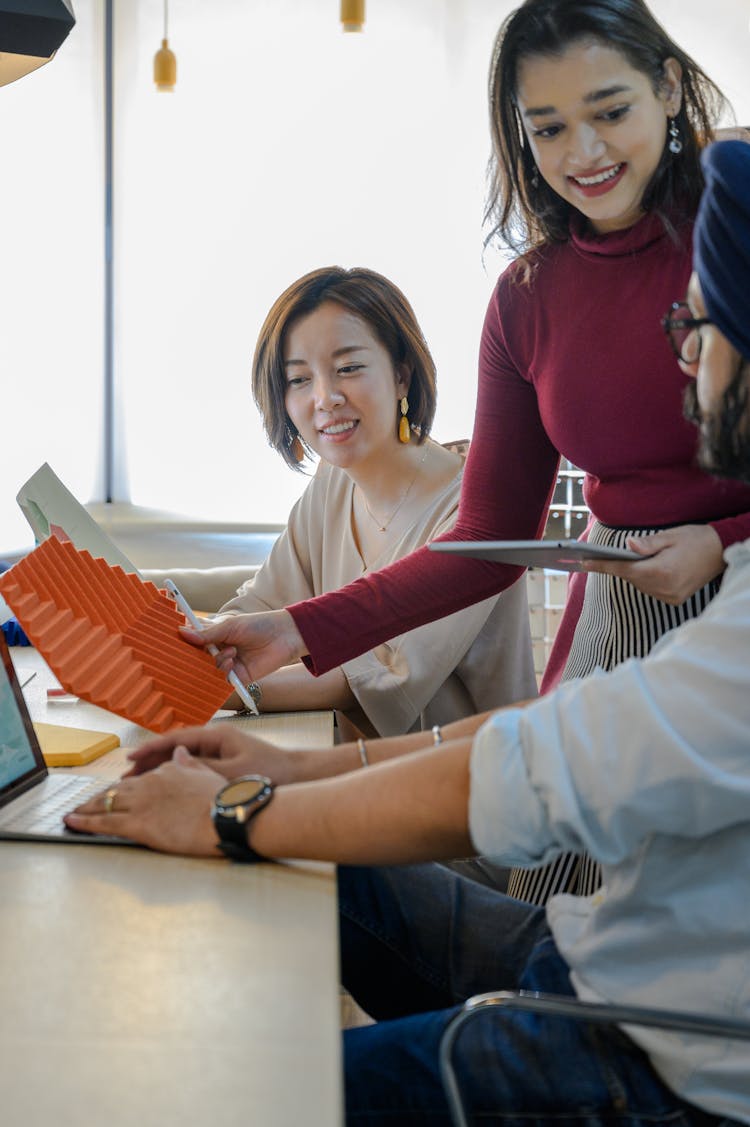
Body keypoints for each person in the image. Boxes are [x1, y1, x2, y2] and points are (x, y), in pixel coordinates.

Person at [66, 138, 750, 1125]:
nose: (683, 349)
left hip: (641, 1042)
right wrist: (279, 769)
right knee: (308, 883)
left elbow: (514, 772)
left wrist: (232, 811)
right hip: (590, 940)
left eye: (703, 319)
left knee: (214, 1092)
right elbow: (538, 735)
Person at [162, 0, 750, 905]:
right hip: (619, 615)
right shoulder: (529, 295)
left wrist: (727, 538)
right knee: (557, 912)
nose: (583, 153)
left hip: (738, 606)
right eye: (548, 127)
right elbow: (486, 538)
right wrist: (294, 629)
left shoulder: (732, 236)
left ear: (669, 87)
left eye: (611, 111)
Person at [214, 266, 535, 739]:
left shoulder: (475, 510)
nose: (326, 398)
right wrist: (195, 646)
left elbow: (378, 674)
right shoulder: (332, 483)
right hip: (350, 762)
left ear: (401, 375)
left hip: (470, 782)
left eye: (347, 369)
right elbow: (261, 603)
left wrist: (227, 690)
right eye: (299, 380)